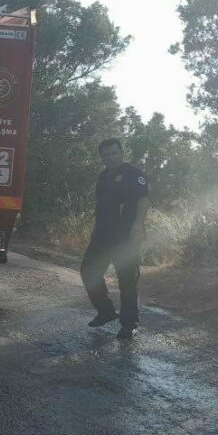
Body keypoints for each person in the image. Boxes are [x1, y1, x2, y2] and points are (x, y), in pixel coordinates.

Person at [81, 138, 150, 340]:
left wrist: (138, 225)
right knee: (88, 271)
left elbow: (144, 200)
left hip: (125, 237)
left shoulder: (134, 175)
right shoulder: (103, 176)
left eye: (114, 153)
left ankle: (129, 324)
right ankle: (106, 311)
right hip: (102, 236)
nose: (111, 158)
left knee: (127, 281)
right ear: (101, 157)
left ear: (121, 152)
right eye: (106, 154)